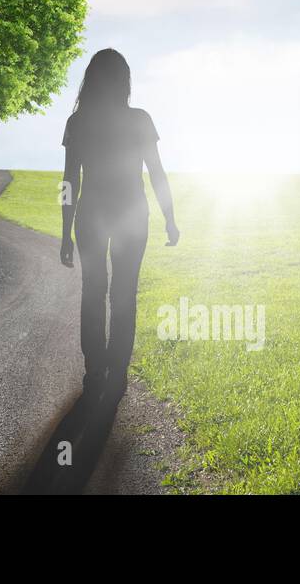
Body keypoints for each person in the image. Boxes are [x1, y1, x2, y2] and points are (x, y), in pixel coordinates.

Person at [59, 48, 178, 405]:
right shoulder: (140, 119)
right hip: (131, 214)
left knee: (93, 291)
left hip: (91, 214)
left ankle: (95, 369)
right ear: (125, 80)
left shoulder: (77, 122)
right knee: (124, 295)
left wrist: (66, 232)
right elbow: (156, 172)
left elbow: (69, 181)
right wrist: (170, 218)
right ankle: (118, 373)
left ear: (90, 79)